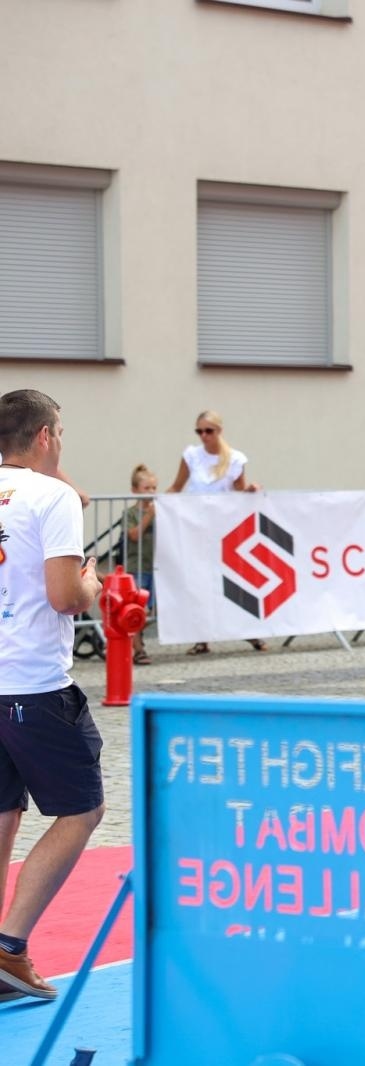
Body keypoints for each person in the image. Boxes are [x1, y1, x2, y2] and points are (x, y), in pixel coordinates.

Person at [0, 390, 106, 1000]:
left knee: (3, 812)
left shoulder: (35, 491)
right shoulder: (53, 496)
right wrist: (90, 581)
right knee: (82, 809)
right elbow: (66, 596)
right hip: (34, 680)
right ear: (45, 436)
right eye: (58, 432)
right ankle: (10, 946)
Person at [167, 410, 266, 655]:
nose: (203, 436)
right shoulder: (191, 456)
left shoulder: (235, 459)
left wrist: (251, 490)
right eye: (199, 431)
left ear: (219, 431)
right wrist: (153, 502)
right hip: (197, 529)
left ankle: (248, 631)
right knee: (200, 582)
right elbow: (178, 486)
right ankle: (202, 637)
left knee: (234, 581)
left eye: (208, 431)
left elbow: (240, 492)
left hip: (225, 531)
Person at [121, 464, 159, 665]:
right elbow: (134, 535)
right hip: (136, 567)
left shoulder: (159, 510)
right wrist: (149, 515)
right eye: (147, 488)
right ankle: (139, 650)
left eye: (154, 488)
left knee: (151, 611)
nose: (152, 492)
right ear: (135, 490)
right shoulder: (131, 513)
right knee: (137, 609)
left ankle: (128, 637)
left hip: (154, 567)